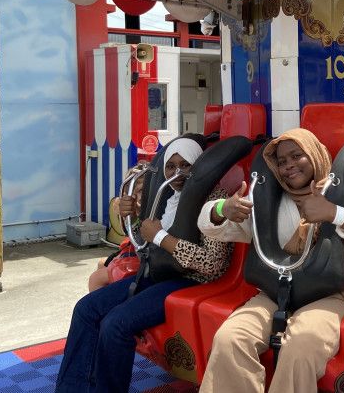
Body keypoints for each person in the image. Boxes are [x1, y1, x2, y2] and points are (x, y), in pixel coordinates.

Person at [197, 128, 344, 393]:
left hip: (329, 295)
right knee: (229, 339)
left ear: (314, 156)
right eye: (281, 161)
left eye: (296, 156)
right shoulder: (267, 203)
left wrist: (335, 214)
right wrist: (223, 209)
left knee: (300, 348)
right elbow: (209, 225)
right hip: (274, 292)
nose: (289, 166)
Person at [55, 138, 232, 393]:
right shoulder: (168, 196)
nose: (177, 172)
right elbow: (144, 244)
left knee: (115, 325)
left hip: (190, 281)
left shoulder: (215, 200)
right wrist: (135, 216)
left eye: (185, 165)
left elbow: (213, 264)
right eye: (171, 167)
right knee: (85, 309)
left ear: (199, 166)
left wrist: (161, 237)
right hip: (159, 273)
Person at [88, 162, 147, 292]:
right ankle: (107, 296)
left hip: (143, 257)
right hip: (131, 251)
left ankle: (103, 303)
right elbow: (118, 206)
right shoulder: (131, 211)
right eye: (142, 190)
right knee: (101, 263)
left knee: (96, 278)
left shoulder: (151, 211)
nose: (147, 194)